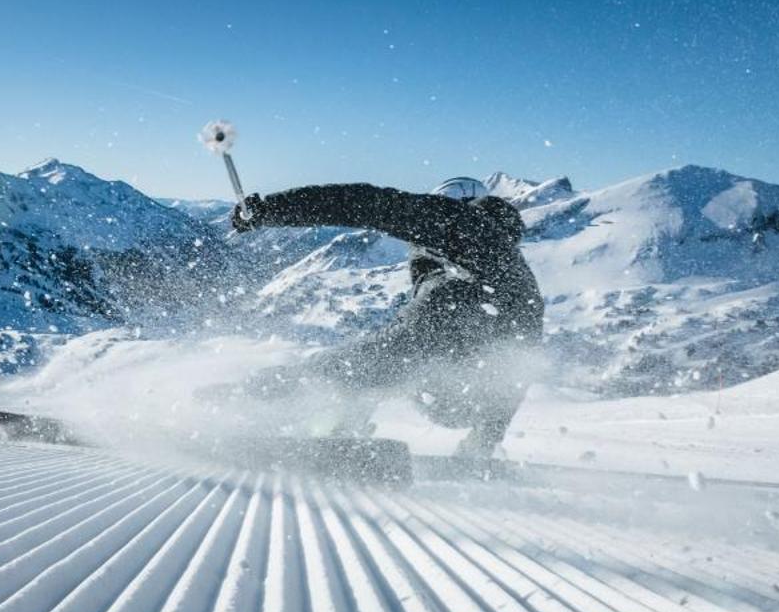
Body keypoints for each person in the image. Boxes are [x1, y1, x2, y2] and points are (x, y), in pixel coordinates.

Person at [228, 177, 544, 456]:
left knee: (351, 367)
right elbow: (520, 363)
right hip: (467, 398)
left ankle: (251, 403)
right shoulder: (517, 270)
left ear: (452, 201)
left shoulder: (455, 218)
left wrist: (271, 209)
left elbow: (363, 203)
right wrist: (483, 440)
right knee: (381, 367)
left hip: (437, 335)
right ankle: (333, 425)